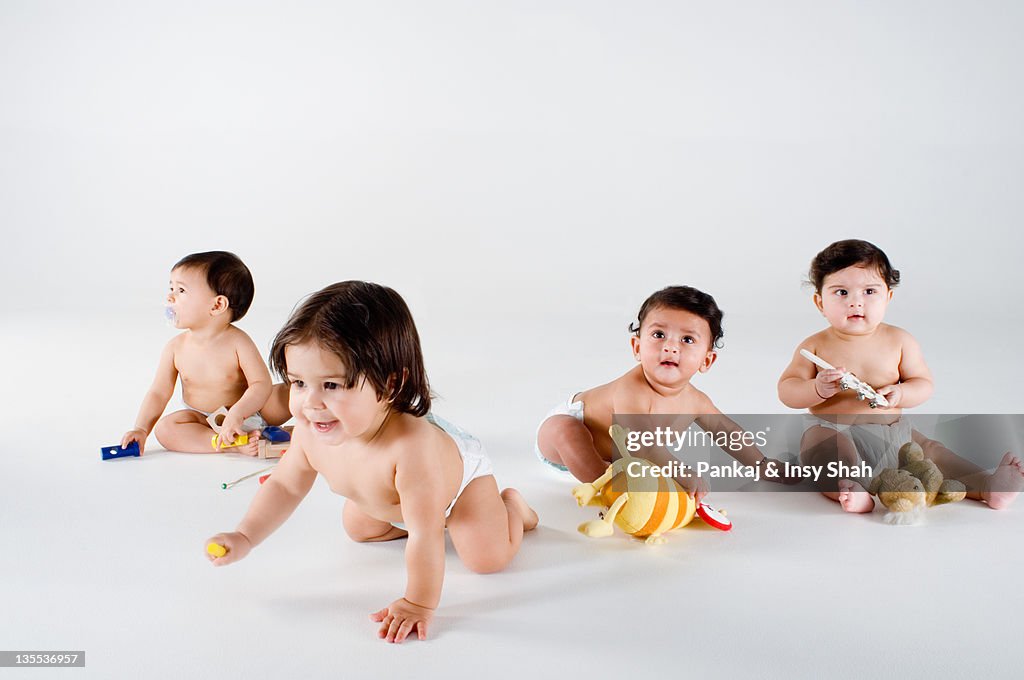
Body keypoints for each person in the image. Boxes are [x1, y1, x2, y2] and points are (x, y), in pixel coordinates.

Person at [205, 281, 537, 643]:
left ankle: (512, 509)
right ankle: (415, 511)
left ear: (390, 385)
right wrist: (245, 536)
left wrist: (418, 602)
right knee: (359, 527)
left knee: (484, 557)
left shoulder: (412, 448)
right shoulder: (308, 431)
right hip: (399, 499)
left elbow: (425, 534)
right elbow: (285, 486)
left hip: (458, 486)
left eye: (331, 385)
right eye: (298, 383)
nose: (311, 403)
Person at [777, 238, 1023, 512]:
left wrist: (901, 393)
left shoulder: (900, 341)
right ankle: (851, 490)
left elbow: (923, 383)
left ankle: (988, 486)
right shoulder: (814, 345)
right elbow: (787, 389)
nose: (856, 302)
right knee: (825, 452)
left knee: (933, 452)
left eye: (869, 291)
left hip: (895, 434)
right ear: (820, 302)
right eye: (841, 293)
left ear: (888, 297)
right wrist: (817, 389)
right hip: (833, 429)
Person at [536, 285, 779, 492]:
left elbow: (729, 433)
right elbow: (643, 446)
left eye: (687, 340)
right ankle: (606, 486)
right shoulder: (631, 390)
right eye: (659, 334)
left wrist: (761, 463)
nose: (671, 346)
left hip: (614, 456)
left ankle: (614, 473)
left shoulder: (696, 401)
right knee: (564, 429)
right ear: (637, 347)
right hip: (565, 438)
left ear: (706, 360)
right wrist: (682, 473)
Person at [119, 251, 278, 456]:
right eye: (171, 288)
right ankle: (228, 443)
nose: (170, 296)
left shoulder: (238, 342)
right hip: (203, 420)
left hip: (248, 410)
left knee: (291, 393)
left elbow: (261, 384)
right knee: (167, 428)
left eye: (181, 290)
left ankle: (311, 427)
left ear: (217, 305)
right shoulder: (175, 348)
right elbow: (158, 392)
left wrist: (238, 413)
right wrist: (141, 429)